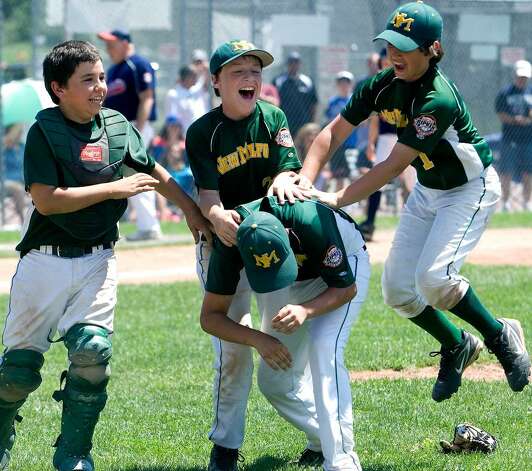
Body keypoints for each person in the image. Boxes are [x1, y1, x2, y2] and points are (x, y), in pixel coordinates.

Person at [288, 2, 530, 402]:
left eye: (405, 46)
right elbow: (332, 133)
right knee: (398, 289)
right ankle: (457, 345)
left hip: (469, 188)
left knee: (434, 281)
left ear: (432, 48)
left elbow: (393, 164)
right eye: (389, 45)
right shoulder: (381, 85)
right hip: (429, 190)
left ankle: (499, 335)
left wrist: (336, 198)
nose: (394, 54)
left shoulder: (438, 98)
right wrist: (305, 179)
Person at [0, 40, 210, 471]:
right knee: (17, 374)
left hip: (98, 259)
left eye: (101, 78)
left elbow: (154, 171)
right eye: (88, 80)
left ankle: (74, 454)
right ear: (58, 88)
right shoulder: (44, 132)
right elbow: (48, 200)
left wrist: (190, 210)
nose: (100, 88)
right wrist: (115, 189)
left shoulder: (116, 126)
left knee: (93, 352)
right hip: (44, 262)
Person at [185, 39, 305, 471]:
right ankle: (226, 448)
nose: (250, 78)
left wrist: (285, 179)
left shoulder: (273, 116)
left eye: (255, 70)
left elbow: (289, 168)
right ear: (216, 82)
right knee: (233, 351)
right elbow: (208, 196)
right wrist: (215, 218)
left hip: (270, 241)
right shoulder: (203, 131)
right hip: (224, 243)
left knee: (284, 342)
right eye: (238, 71)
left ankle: (318, 436)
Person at [200, 196, 369, 470]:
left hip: (344, 267)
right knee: (275, 381)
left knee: (323, 348)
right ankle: (322, 440)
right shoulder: (230, 241)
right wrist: (258, 339)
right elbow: (210, 317)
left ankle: (342, 461)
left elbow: (346, 289)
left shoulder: (309, 220)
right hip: (301, 278)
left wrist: (305, 310)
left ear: (288, 236)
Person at [97, 29, 162, 241]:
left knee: (136, 174)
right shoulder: (114, 69)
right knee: (122, 175)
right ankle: (143, 226)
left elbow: (147, 97)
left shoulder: (137, 64)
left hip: (134, 126)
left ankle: (149, 227)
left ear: (126, 43)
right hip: (116, 130)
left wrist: (139, 131)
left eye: (112, 43)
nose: (108, 48)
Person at [495, 59, 532, 212]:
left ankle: (527, 202)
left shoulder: (531, 92)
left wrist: (528, 119)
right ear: (514, 76)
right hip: (509, 139)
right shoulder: (505, 93)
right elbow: (501, 113)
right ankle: (506, 202)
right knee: (506, 171)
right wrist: (514, 120)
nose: (521, 80)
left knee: (528, 171)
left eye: (524, 77)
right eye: (519, 77)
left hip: (528, 139)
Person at [324, 70, 357, 191]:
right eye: (341, 83)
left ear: (350, 84)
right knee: (339, 175)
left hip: (351, 143)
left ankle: (355, 202)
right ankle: (338, 203)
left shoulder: (355, 99)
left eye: (346, 83)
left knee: (353, 174)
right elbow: (328, 120)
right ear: (337, 85)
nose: (344, 85)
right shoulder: (333, 102)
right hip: (337, 142)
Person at [273, 51, 318, 136]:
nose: (293, 65)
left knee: (302, 148)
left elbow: (314, 103)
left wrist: (313, 122)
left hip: (303, 124)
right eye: (291, 62)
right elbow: (273, 102)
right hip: (284, 123)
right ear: (287, 64)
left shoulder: (307, 81)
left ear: (300, 64)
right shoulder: (278, 81)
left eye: (296, 62)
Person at [165, 65, 210, 134]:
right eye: (193, 76)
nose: (196, 78)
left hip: (203, 134)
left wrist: (204, 69)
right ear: (185, 77)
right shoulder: (173, 94)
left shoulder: (196, 90)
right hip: (184, 137)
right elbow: (171, 119)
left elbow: (204, 81)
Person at [2, 123, 29, 225]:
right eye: (18, 132)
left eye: (20, 132)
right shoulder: (3, 148)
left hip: (23, 181)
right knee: (17, 188)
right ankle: (24, 222)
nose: (20, 134)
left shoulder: (23, 147)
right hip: (5, 182)